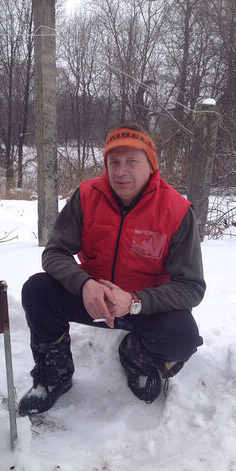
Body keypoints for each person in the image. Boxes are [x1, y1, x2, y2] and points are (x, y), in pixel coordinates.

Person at [19, 123, 205, 416]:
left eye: (132, 161)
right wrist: (84, 284)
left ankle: (137, 357)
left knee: (183, 337)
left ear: (151, 165)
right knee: (37, 290)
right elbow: (55, 253)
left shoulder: (176, 210)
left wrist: (134, 301)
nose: (120, 171)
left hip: (142, 309)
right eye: (113, 162)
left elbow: (191, 286)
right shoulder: (86, 195)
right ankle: (54, 374)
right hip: (92, 300)